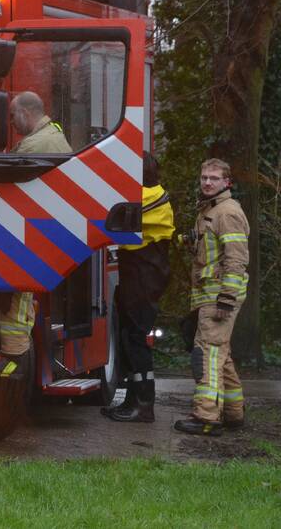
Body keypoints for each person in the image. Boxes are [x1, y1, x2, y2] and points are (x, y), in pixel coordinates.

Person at [0, 92, 71, 379]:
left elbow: (3, 184)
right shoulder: (52, 134)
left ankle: (14, 361)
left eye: (12, 116)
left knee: (17, 299)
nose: (10, 122)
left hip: (29, 232)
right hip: (40, 230)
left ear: (26, 113)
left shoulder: (35, 145)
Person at [174, 158, 250, 436]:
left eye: (214, 178)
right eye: (204, 177)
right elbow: (211, 251)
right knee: (220, 353)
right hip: (210, 295)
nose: (207, 182)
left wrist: (226, 298)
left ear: (226, 182)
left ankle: (206, 417)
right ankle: (233, 412)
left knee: (207, 353)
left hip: (219, 297)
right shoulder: (211, 209)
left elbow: (236, 259)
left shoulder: (226, 212)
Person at [104, 152, 174, 423]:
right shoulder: (151, 195)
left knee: (136, 339)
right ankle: (134, 400)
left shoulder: (147, 198)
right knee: (130, 337)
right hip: (140, 273)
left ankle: (144, 405)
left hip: (143, 275)